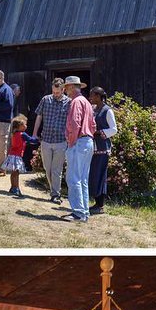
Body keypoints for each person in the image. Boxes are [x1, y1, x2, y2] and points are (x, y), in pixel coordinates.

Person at [63, 76, 96, 222]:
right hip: (88, 141)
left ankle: (78, 212)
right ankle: (84, 211)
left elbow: (74, 124)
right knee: (82, 178)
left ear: (71, 87)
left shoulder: (76, 102)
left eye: (66, 87)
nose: (65, 90)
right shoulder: (87, 102)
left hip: (79, 141)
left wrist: (71, 141)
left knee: (73, 178)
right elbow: (93, 125)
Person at [33, 78, 70, 203]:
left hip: (61, 141)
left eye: (58, 92)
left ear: (63, 89)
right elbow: (39, 116)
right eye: (53, 92)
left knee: (56, 170)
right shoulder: (45, 99)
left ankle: (55, 194)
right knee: (47, 167)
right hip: (46, 139)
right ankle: (53, 190)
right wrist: (34, 133)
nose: (55, 94)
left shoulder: (69, 102)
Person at [87, 87, 118, 215]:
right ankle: (96, 202)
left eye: (93, 96)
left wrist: (100, 132)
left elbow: (114, 129)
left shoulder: (107, 111)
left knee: (99, 175)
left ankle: (100, 205)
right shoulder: (94, 109)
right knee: (93, 175)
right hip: (93, 147)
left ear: (99, 96)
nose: (90, 98)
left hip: (102, 148)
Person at [2, 115, 32, 199]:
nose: (26, 126)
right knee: (17, 173)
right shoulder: (23, 134)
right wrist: (38, 139)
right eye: (24, 124)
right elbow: (31, 140)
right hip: (17, 156)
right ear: (19, 126)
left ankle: (13, 187)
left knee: (13, 173)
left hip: (12, 155)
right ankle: (16, 188)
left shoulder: (14, 133)